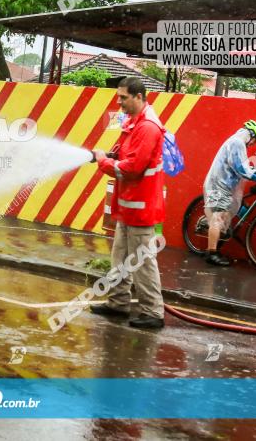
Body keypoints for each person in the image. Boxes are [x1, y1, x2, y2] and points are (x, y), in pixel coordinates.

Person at [90, 77, 166, 329]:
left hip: (141, 208)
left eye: (123, 97)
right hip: (129, 206)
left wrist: (103, 162)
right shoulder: (134, 123)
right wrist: (110, 155)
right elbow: (126, 156)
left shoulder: (148, 127)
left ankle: (153, 312)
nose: (119, 101)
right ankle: (118, 302)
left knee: (143, 261)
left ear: (139, 97)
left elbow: (132, 168)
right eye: (119, 97)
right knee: (120, 257)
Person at [201, 121, 256, 266]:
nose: (254, 144)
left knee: (227, 214)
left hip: (223, 185)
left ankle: (215, 240)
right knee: (218, 217)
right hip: (218, 185)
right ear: (251, 135)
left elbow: (241, 166)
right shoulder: (237, 143)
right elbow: (241, 169)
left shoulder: (237, 142)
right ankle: (211, 253)